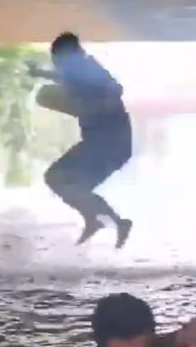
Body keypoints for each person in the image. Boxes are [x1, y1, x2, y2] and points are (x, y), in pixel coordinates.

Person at [29, 32, 133, 248]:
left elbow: (115, 87)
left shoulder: (88, 69)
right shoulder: (77, 72)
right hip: (101, 145)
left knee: (59, 179)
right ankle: (106, 221)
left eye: (57, 59)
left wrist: (100, 105)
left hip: (110, 145)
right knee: (64, 182)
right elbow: (68, 79)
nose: (56, 63)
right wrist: (40, 72)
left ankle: (108, 221)